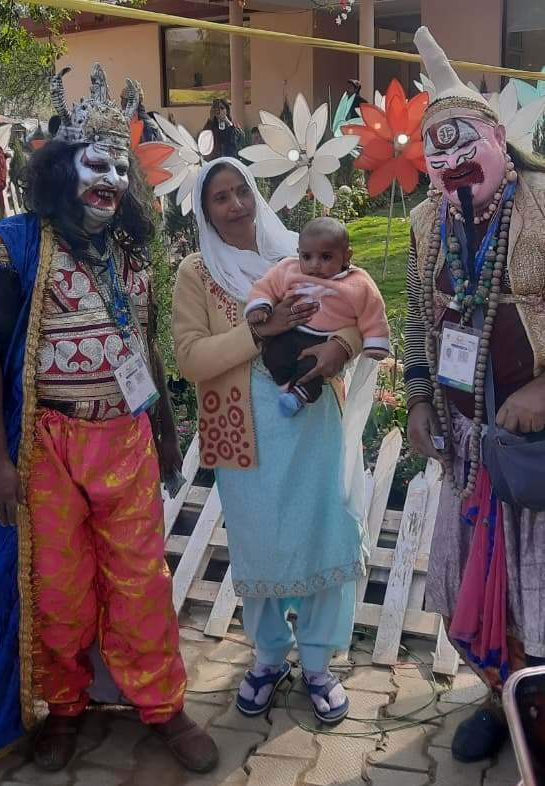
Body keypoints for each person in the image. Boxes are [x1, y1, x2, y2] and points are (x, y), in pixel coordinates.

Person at [0, 64, 218, 774]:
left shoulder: (128, 249)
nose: (110, 180)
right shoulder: (10, 246)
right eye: (95, 164)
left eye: (120, 168)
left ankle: (162, 706)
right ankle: (66, 708)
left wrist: (166, 433)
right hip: (46, 447)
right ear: (58, 169)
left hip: (126, 440)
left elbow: (146, 348)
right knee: (60, 588)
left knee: (141, 581)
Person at [172, 157, 370, 725]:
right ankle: (268, 658)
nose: (236, 205)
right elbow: (190, 358)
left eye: (242, 191)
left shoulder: (297, 254)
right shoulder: (196, 272)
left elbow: (356, 310)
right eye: (220, 198)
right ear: (204, 211)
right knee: (260, 542)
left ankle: (318, 665)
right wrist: (262, 331)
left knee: (323, 532)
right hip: (243, 431)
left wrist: (342, 346)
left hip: (313, 424)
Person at [405, 27, 545, 764]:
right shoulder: (427, 221)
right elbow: (416, 320)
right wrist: (418, 400)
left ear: (497, 138)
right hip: (468, 443)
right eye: (437, 147)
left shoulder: (543, 204)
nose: (452, 158)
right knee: (481, 576)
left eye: (464, 140)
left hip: (534, 446)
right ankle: (500, 698)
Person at [245, 216, 389, 416]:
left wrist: (375, 340)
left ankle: (298, 396)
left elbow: (372, 311)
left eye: (326, 257)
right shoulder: (288, 269)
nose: (314, 265)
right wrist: (260, 306)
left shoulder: (357, 282)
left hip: (324, 340)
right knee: (274, 353)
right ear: (298, 253)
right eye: (307, 257)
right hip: (292, 331)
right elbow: (266, 286)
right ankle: (284, 381)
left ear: (346, 256)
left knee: (313, 368)